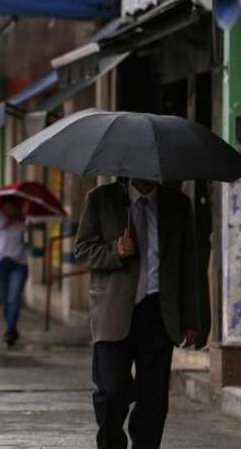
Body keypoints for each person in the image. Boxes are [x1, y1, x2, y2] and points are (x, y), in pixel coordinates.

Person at [74, 178, 208, 449]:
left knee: (153, 400)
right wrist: (115, 251)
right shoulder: (101, 199)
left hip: (159, 314)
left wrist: (193, 319)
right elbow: (82, 251)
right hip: (113, 314)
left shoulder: (177, 204)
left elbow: (189, 264)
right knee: (110, 391)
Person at [0, 196, 28, 347]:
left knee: (13, 298)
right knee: (5, 300)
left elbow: (30, 238)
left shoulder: (23, 220)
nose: (9, 210)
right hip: (0, 263)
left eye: (12, 207)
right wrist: (3, 224)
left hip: (18, 263)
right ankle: (12, 327)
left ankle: (9, 331)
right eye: (6, 206)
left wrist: (23, 222)